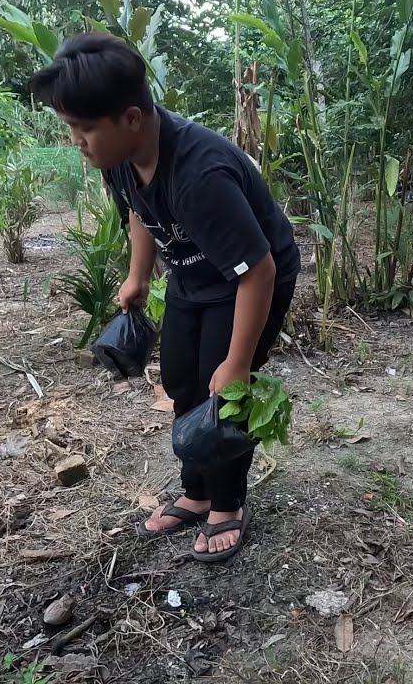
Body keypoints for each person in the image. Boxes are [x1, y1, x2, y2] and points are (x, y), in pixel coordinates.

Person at [29, 33, 300, 562]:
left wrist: (240, 361)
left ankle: (227, 503)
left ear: (131, 118)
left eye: (84, 129)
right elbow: (139, 210)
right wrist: (139, 276)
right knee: (181, 380)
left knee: (222, 394)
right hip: (193, 279)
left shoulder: (201, 175)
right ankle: (196, 492)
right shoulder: (119, 156)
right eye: (71, 129)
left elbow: (259, 271)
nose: (77, 142)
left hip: (250, 282)